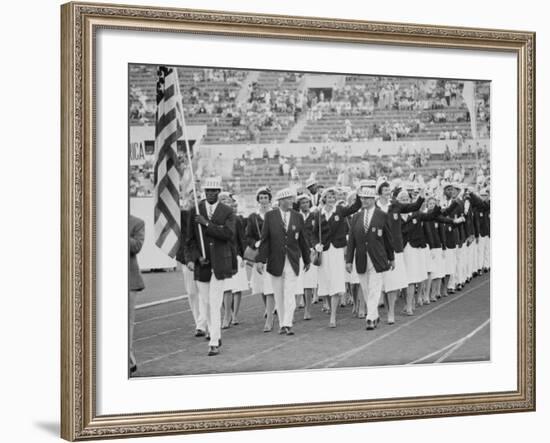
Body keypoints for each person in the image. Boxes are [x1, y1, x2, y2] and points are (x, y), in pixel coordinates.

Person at [185, 177, 236, 356]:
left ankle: (214, 341)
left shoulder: (227, 211)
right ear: (204, 192)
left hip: (220, 263)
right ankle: (214, 333)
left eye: (214, 191)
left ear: (219, 192)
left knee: (215, 303)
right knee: (205, 304)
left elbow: (228, 234)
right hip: (203, 265)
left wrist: (206, 224)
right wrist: (197, 258)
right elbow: (189, 240)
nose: (210, 194)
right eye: (208, 191)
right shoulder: (195, 211)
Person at [256, 188, 311, 335]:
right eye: (288, 199)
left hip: (292, 260)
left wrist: (307, 259)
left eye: (292, 199)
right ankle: (282, 323)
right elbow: (265, 240)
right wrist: (260, 260)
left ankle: (288, 322)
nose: (292, 201)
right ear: (281, 201)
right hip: (275, 260)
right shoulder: (270, 216)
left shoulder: (298, 216)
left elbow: (303, 240)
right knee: (278, 293)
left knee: (290, 292)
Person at [346, 181, 395, 330]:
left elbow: (388, 238)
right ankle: (374, 314)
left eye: (367, 198)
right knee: (365, 287)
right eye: (362, 198)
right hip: (361, 257)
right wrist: (348, 260)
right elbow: (352, 241)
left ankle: (369, 318)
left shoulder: (382, 215)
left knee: (375, 286)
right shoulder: (356, 217)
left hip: (378, 257)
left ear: (373, 199)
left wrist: (391, 257)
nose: (364, 201)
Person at [375, 178, 423, 324]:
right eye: (385, 190)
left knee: (393, 282)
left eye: (389, 190)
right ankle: (374, 312)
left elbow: (413, 207)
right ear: (379, 192)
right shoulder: (374, 207)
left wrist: (421, 196)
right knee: (377, 282)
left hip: (395, 248)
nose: (387, 192)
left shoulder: (395, 205)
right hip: (377, 248)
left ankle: (391, 313)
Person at [316, 186, 361, 327]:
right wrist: (315, 244)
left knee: (335, 281)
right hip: (323, 251)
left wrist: (358, 193)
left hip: (336, 250)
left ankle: (333, 316)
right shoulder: (318, 214)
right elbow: (311, 233)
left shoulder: (340, 211)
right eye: (329, 197)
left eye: (333, 197)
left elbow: (355, 207)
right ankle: (330, 309)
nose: (331, 199)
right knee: (326, 282)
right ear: (324, 199)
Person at [245, 186, 276, 331]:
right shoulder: (253, 217)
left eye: (266, 197)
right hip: (259, 253)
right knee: (262, 285)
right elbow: (248, 236)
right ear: (258, 200)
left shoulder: (275, 214)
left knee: (272, 283)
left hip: (273, 253)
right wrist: (254, 243)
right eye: (261, 198)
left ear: (270, 199)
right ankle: (267, 308)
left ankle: (273, 310)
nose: (264, 200)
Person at [218, 192, 249, 329]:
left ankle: (233, 314)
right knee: (223, 288)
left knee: (235, 287)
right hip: (219, 256)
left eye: (227, 200)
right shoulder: (214, 219)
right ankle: (227, 313)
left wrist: (243, 256)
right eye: (222, 200)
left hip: (234, 255)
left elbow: (241, 239)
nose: (225, 202)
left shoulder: (236, 219)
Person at [176, 193, 201, 335]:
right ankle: (198, 321)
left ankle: (203, 323)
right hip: (187, 258)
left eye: (196, 197)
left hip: (203, 258)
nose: (193, 200)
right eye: (191, 197)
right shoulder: (183, 215)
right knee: (192, 292)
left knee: (204, 292)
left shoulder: (204, 213)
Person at [295, 193, 318, 320]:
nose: (305, 204)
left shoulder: (315, 216)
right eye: (302, 202)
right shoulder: (296, 217)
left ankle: (308, 310)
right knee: (298, 281)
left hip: (310, 251)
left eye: (307, 202)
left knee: (308, 282)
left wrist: (314, 247)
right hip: (297, 251)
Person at [129, 214, 145, 374]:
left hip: (129, 281)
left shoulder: (137, 223)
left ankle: (127, 356)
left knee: (126, 322)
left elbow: (136, 247)